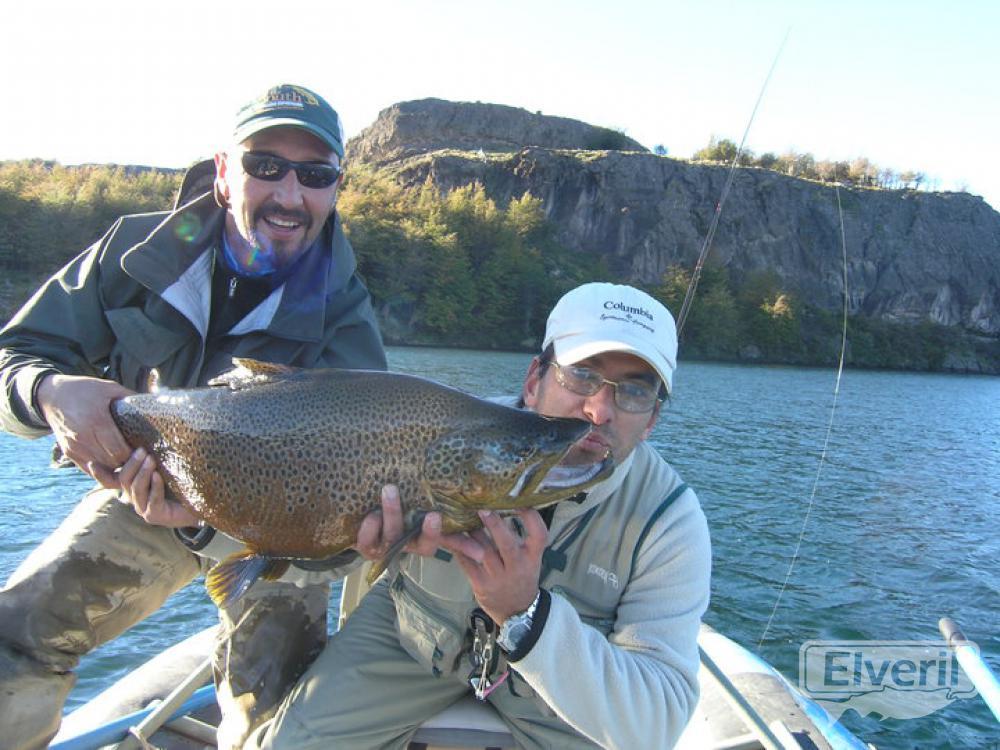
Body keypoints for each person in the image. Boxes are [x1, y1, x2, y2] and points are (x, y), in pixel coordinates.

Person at [0, 83, 386, 750]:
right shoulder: (137, 251)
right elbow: (17, 352)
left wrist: (209, 523)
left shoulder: (345, 316)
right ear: (223, 172)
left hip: (277, 522)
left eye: (315, 175)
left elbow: (344, 524)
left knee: (274, 708)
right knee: (18, 633)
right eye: (266, 165)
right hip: (143, 485)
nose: (289, 194)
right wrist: (49, 391)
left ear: (335, 189)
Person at [249, 282, 713, 749]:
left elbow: (658, 721)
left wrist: (527, 615)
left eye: (634, 392)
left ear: (652, 419)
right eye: (581, 375)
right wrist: (351, 544)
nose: (598, 411)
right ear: (534, 381)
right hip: (414, 638)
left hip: (557, 699)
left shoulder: (669, 521)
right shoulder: (434, 430)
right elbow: (312, 553)